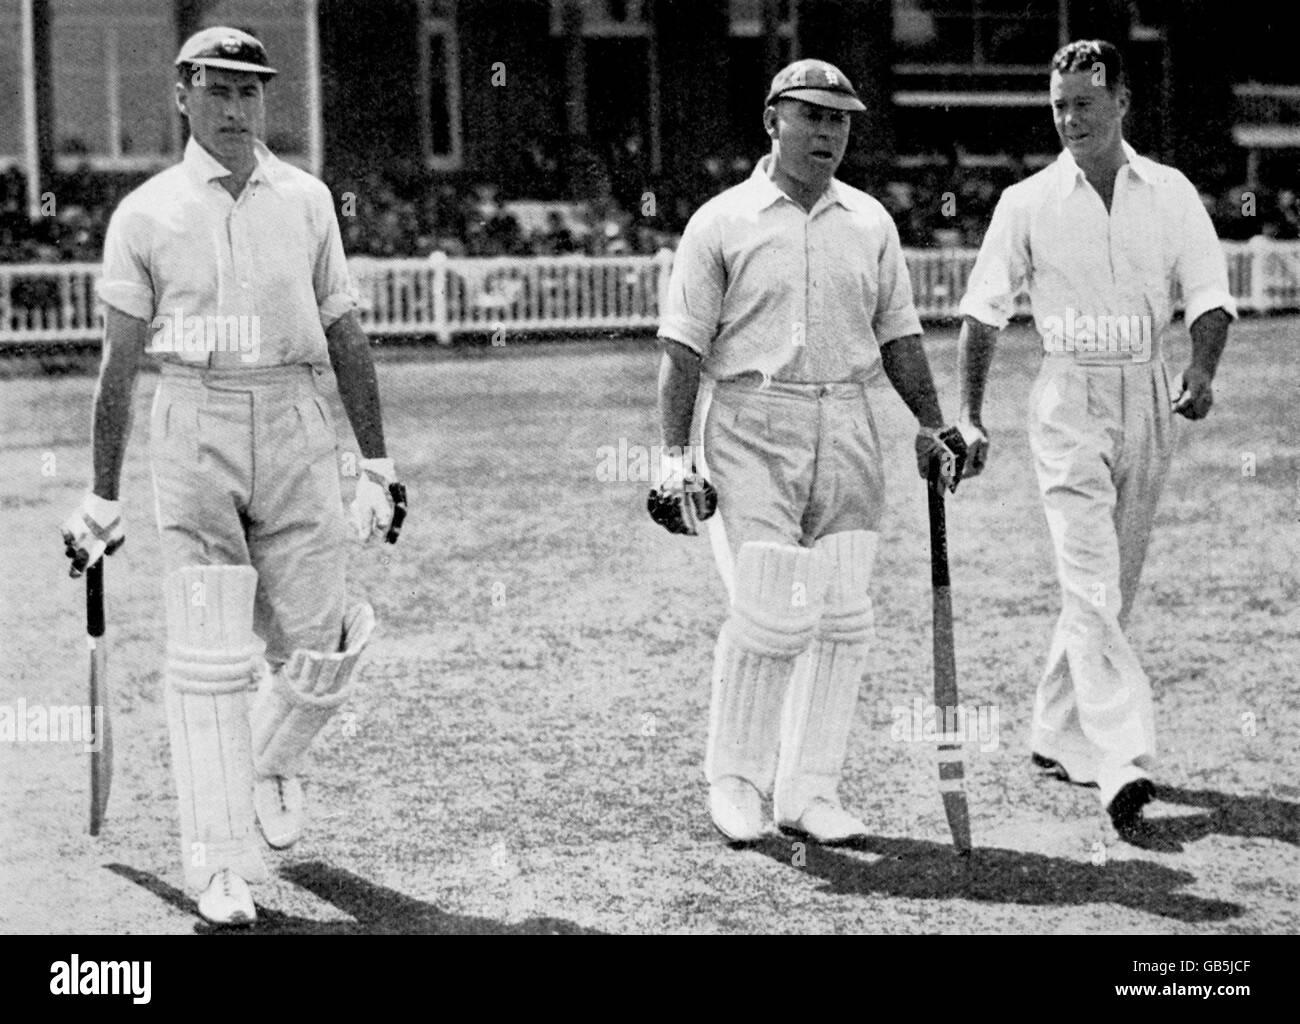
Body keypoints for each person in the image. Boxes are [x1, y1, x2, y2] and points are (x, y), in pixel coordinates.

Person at [59, 27, 407, 925]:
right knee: (209, 649)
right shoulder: (145, 212)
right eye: (217, 89)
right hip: (193, 417)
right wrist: (101, 495)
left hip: (295, 416)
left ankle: (266, 753)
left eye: (250, 92)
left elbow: (345, 334)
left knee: (326, 643)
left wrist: (375, 462)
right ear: (182, 93)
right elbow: (118, 364)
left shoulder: (307, 200)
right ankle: (219, 865)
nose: (234, 108)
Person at [648, 59, 967, 846]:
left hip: (848, 418)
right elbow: (683, 349)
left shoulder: (870, 222)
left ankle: (809, 792)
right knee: (771, 609)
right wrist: (673, 458)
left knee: (843, 619)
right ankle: (736, 782)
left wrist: (932, 422)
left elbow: (898, 334)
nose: (828, 133)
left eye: (840, 120)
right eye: (812, 117)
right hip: (752, 418)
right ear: (773, 121)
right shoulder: (722, 221)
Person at [955, 39, 1235, 848]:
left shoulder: (1171, 192)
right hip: (1067, 394)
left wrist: (1202, 370)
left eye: (1083, 102)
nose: (1069, 119)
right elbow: (983, 312)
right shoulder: (1028, 201)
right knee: (1089, 577)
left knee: (1114, 577)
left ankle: (1053, 725)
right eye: (1058, 106)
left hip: (1146, 387)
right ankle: (1119, 760)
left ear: (1122, 104)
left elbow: (1209, 295)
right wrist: (971, 414)